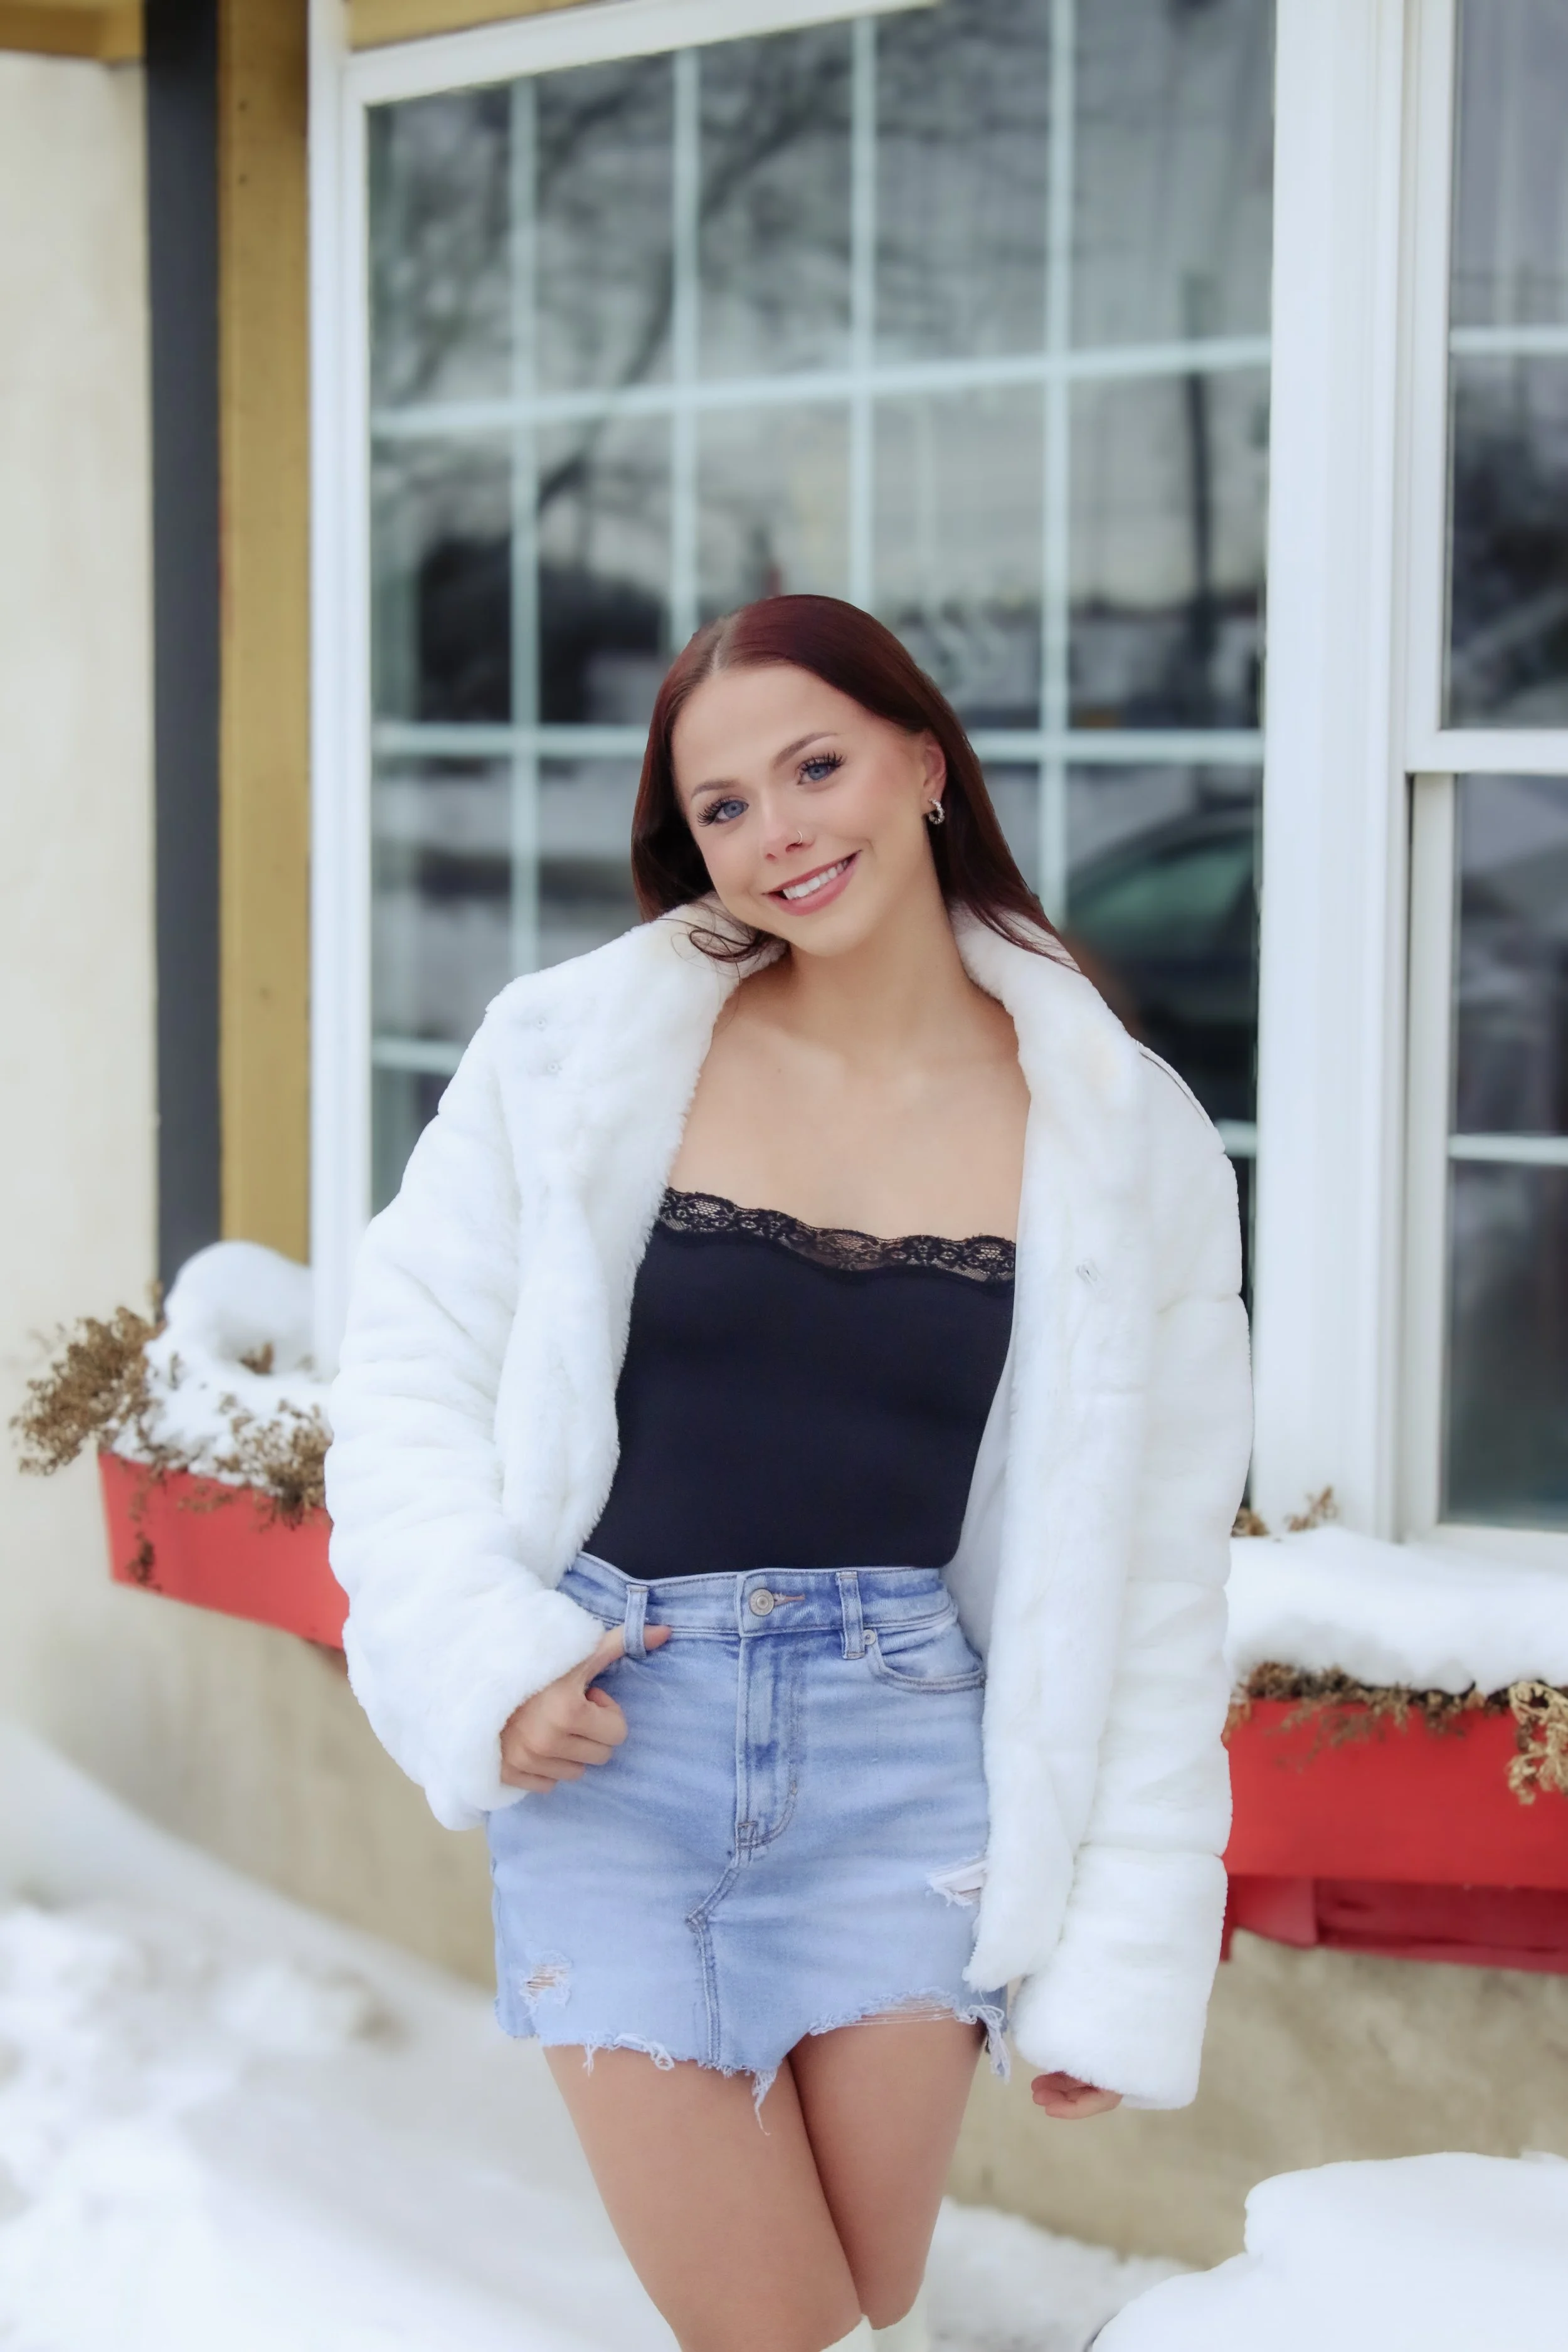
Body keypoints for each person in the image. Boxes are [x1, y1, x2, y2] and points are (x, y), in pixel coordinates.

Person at [326, 596, 1252, 2352]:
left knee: (861, 2299)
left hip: (915, 1755)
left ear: (921, 762)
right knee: (779, 2328)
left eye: (812, 765)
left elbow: (1145, 1574)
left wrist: (1111, 1948)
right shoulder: (571, 1053)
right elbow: (408, 1381)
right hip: (620, 1739)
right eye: (724, 805)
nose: (776, 833)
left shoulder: (1123, 1138)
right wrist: (479, 1659)